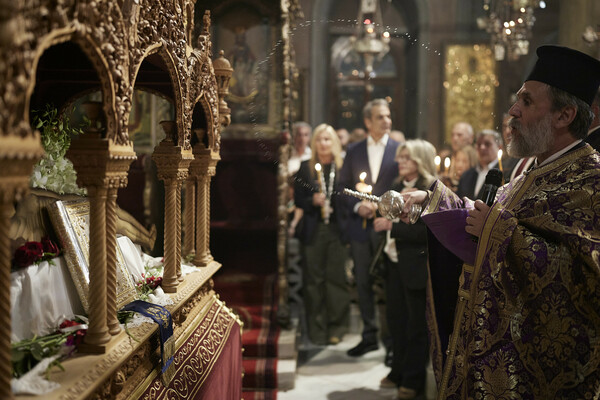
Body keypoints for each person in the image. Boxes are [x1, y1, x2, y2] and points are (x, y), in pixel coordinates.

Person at [399, 45, 600, 399]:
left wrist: (503, 234)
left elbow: (586, 278)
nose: (512, 111)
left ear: (564, 115)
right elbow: (487, 215)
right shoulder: (529, 174)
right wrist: (433, 201)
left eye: (526, 101)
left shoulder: (591, 181)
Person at [373, 139, 436, 399]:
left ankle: (413, 378)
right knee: (396, 322)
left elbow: (427, 230)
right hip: (394, 263)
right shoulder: (398, 186)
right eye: (400, 158)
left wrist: (392, 227)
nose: (400, 162)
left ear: (420, 160)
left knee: (415, 326)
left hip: (415, 266)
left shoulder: (431, 188)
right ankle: (397, 370)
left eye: (406, 158)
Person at [338, 98, 400, 357]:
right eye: (380, 117)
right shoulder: (354, 150)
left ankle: (391, 342)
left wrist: (383, 208)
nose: (386, 121)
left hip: (387, 227)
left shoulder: (399, 149)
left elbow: (404, 188)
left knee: (388, 284)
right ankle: (369, 336)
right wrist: (357, 207)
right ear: (367, 121)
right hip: (360, 228)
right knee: (362, 282)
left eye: (388, 116)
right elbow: (341, 189)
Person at [294, 124, 350, 346]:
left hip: (337, 229)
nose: (323, 144)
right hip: (314, 228)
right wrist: (311, 201)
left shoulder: (343, 167)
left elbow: (348, 198)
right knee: (313, 281)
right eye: (319, 140)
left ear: (334, 142)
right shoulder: (305, 168)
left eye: (328, 139)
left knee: (336, 278)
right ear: (314, 143)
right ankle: (316, 329)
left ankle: (337, 327)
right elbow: (298, 199)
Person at [455, 129, 501, 200]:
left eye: (487, 144)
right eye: (479, 144)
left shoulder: (505, 172)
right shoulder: (466, 175)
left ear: (499, 147)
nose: (482, 148)